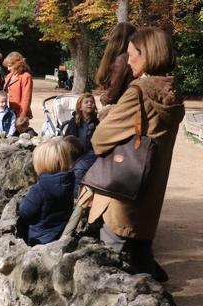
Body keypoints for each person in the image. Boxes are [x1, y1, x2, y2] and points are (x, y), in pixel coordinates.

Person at [88, 27, 185, 281]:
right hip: (149, 196)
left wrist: (109, 115)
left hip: (122, 194)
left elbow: (99, 139)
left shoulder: (139, 93)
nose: (128, 60)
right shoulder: (173, 92)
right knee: (142, 263)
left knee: (116, 274)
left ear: (148, 55)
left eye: (132, 55)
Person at [18, 137, 75, 246]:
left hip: (39, 239)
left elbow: (26, 212)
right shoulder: (69, 183)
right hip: (59, 235)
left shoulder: (40, 189)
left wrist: (20, 203)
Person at [95, 22, 136, 111]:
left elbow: (111, 96)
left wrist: (103, 98)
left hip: (122, 109)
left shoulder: (122, 60)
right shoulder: (126, 58)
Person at [3, 52, 35, 136]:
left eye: (10, 66)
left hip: (19, 113)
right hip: (9, 112)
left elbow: (26, 98)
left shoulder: (26, 76)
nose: (8, 69)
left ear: (17, 64)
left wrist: (22, 116)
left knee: (21, 136)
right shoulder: (9, 76)